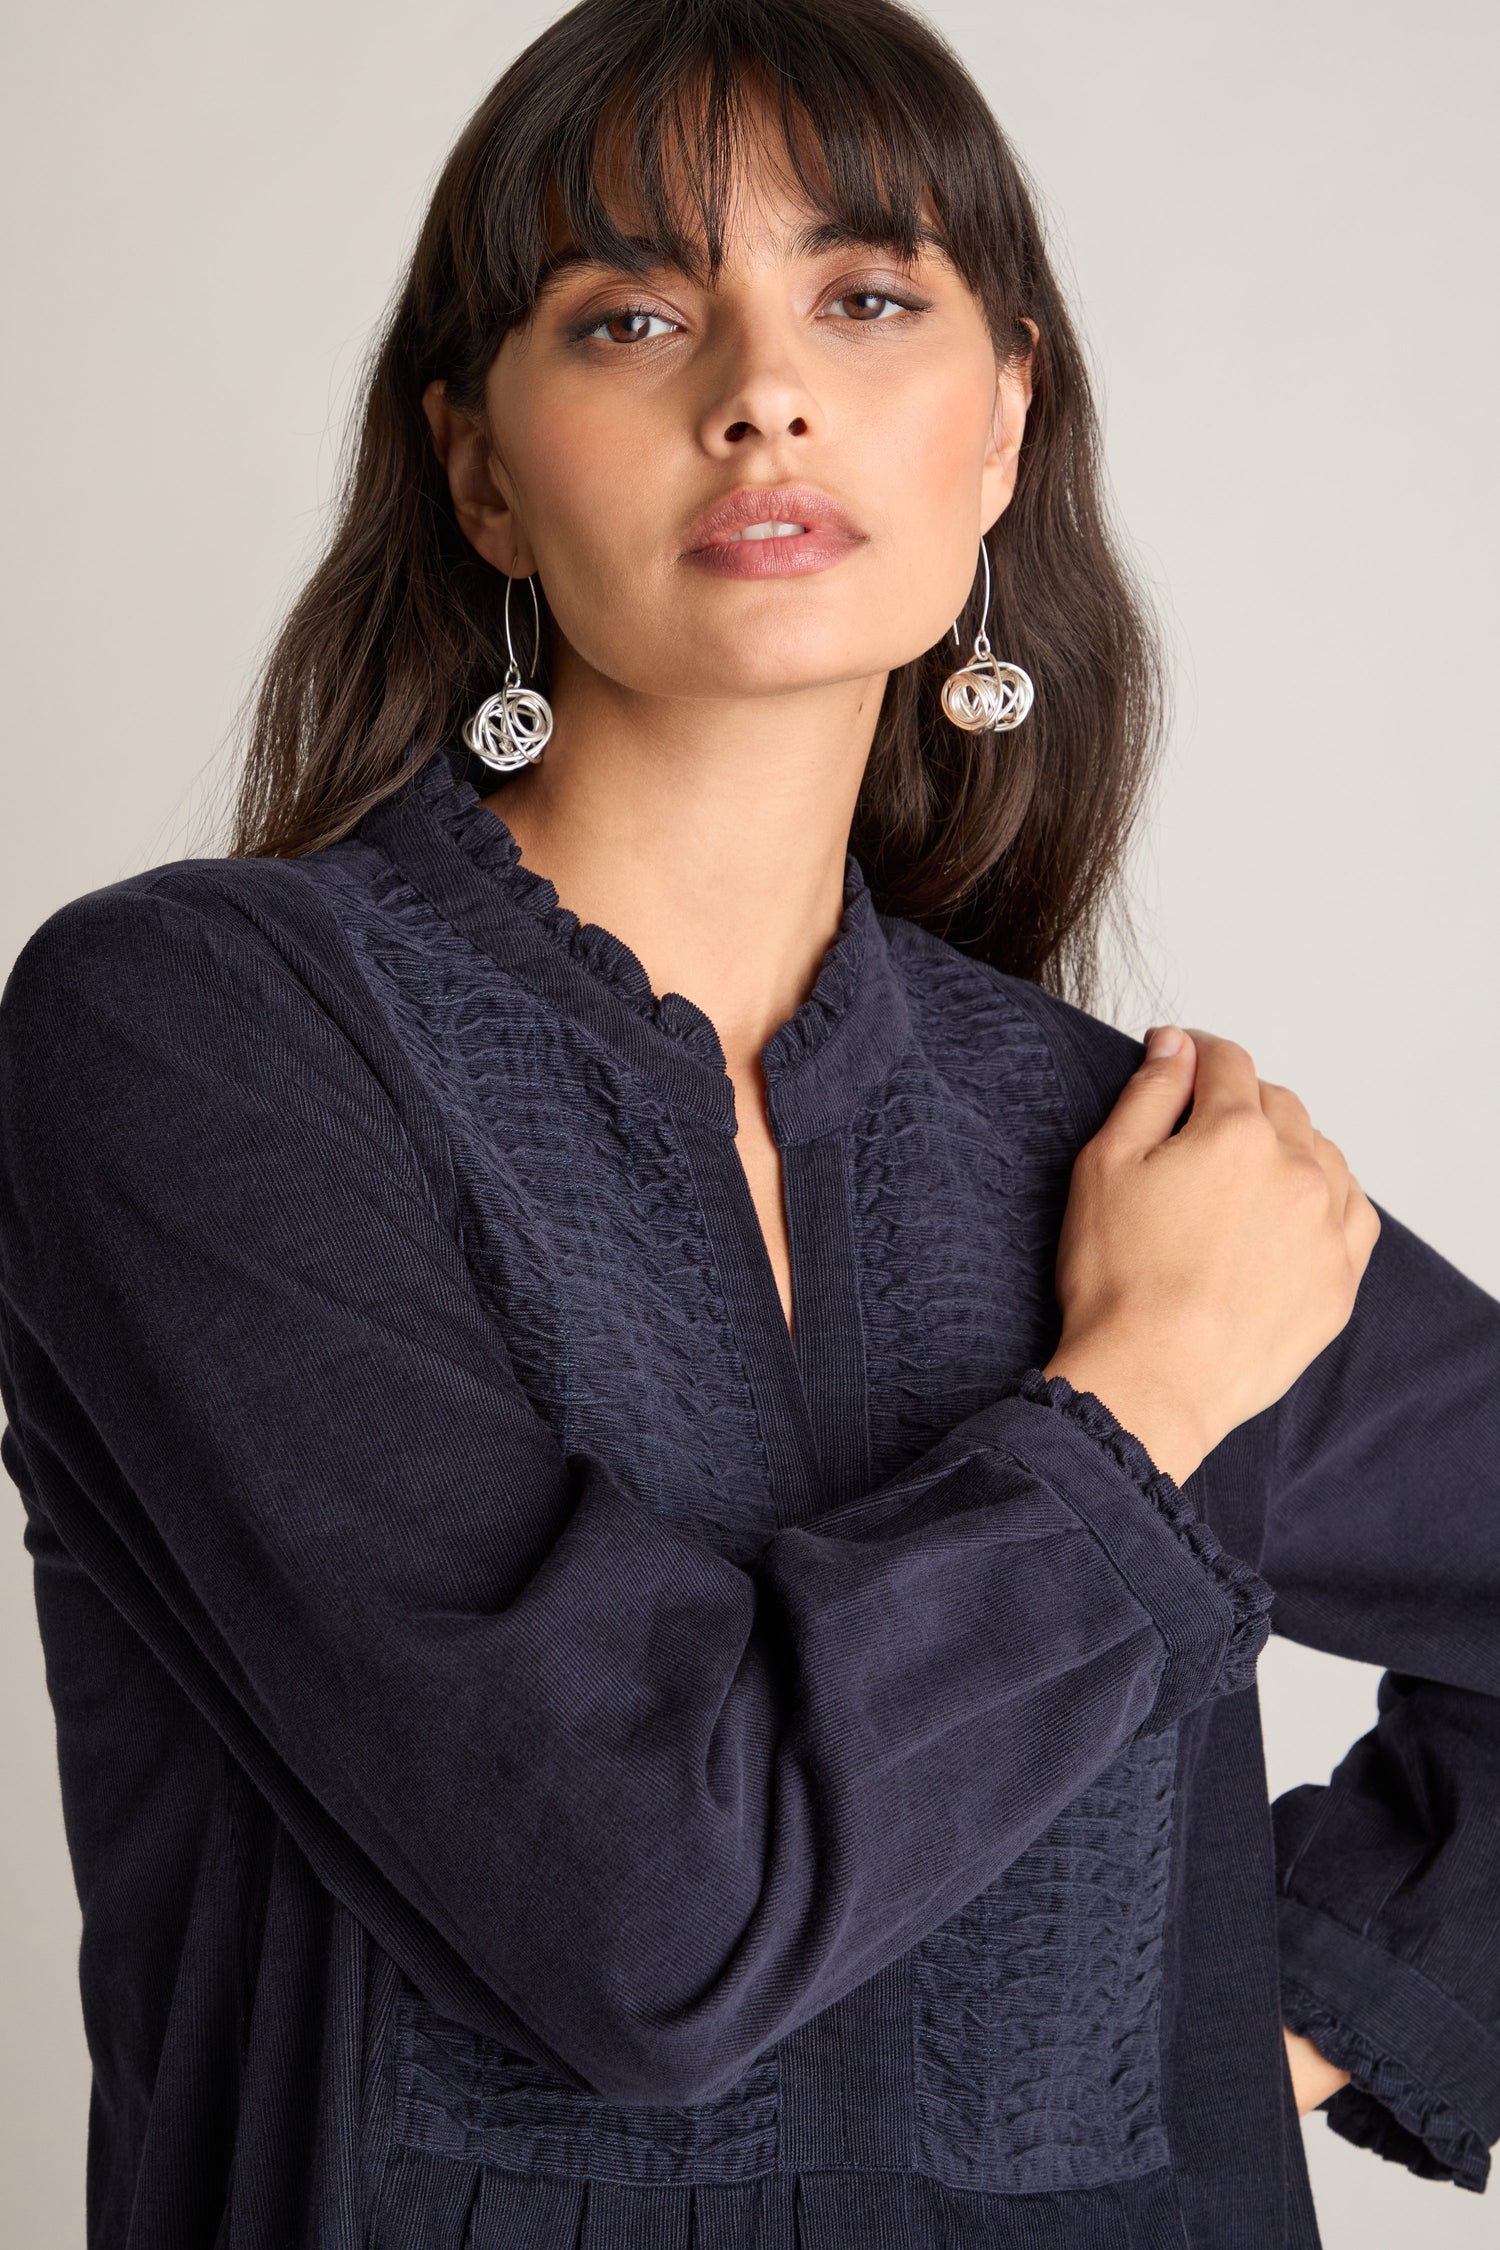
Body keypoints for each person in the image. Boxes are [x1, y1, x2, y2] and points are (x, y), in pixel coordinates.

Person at [0, 0, 1495, 2244]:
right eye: (631, 315)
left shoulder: (1112, 1151)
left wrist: (1276, 2018)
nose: (761, 389)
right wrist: (1142, 1398)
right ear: (481, 467)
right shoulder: (198, 1037)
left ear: (1003, 426)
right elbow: (643, 1903)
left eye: (867, 296)